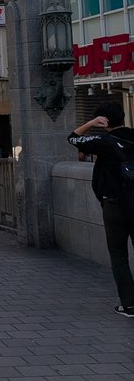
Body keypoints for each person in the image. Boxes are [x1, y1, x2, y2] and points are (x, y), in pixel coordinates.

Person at [68, 102, 134, 315]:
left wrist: (90, 123)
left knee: (118, 254)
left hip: (114, 204)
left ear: (103, 121)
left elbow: (73, 138)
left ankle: (129, 304)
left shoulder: (103, 141)